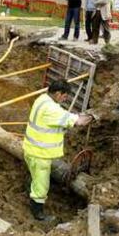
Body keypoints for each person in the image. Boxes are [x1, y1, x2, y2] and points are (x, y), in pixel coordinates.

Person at [23, 80, 93, 221]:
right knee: (41, 187)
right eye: (65, 96)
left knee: (34, 175)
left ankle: (29, 188)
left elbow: (61, 117)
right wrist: (93, 116)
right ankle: (38, 214)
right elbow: (78, 122)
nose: (65, 99)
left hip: (31, 149)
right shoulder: (52, 109)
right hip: (40, 155)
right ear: (57, 93)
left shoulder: (42, 99)